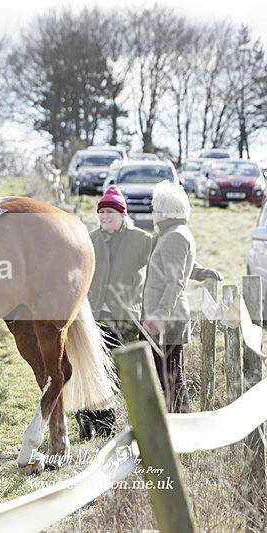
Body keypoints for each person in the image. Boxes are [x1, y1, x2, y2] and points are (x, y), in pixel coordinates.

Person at [76, 185, 152, 439]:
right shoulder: (89, 240)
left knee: (123, 373)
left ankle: (133, 424)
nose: (105, 216)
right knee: (93, 369)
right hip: (94, 318)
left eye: (110, 212)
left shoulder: (140, 240)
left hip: (126, 319)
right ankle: (92, 423)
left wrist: (198, 271)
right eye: (101, 212)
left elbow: (168, 260)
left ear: (123, 215)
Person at [143, 181, 222, 413]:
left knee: (172, 379)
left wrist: (159, 315)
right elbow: (179, 264)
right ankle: (176, 425)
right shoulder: (169, 233)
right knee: (166, 377)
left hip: (168, 318)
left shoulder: (175, 236)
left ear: (165, 211)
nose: (152, 212)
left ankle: (184, 427)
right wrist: (200, 272)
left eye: (155, 208)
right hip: (162, 316)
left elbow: (175, 280)